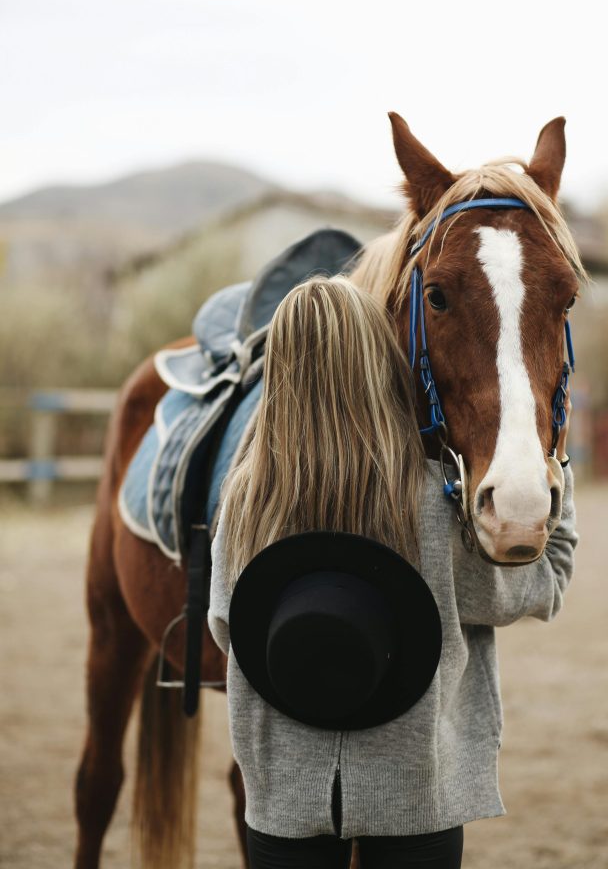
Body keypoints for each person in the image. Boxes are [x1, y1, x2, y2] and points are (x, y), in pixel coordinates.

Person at [208, 276, 578, 869]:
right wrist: (551, 453)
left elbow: (229, 625)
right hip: (415, 796)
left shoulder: (247, 499)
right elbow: (538, 588)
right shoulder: (435, 500)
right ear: (377, 363)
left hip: (282, 802)